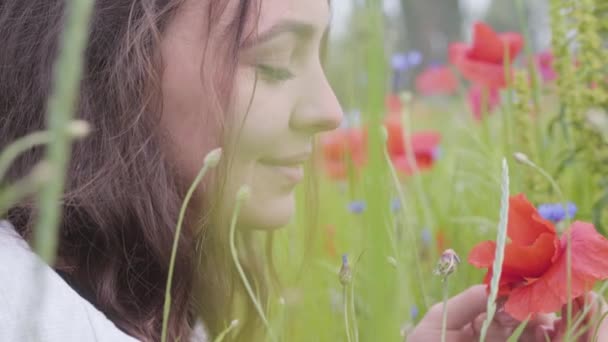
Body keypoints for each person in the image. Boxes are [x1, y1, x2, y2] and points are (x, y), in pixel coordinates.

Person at [0, 1, 606, 341]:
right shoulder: (26, 315)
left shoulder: (153, 301)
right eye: (273, 63)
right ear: (99, 66)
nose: (329, 111)